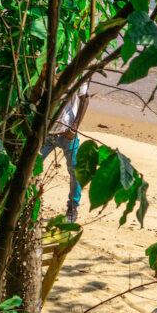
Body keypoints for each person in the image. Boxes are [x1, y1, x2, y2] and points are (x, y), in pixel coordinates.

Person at [41, 82, 90, 223]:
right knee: (29, 168)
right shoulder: (45, 65)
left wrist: (74, 127)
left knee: (75, 170)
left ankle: (73, 207)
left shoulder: (76, 66)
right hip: (45, 132)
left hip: (67, 132)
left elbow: (85, 98)